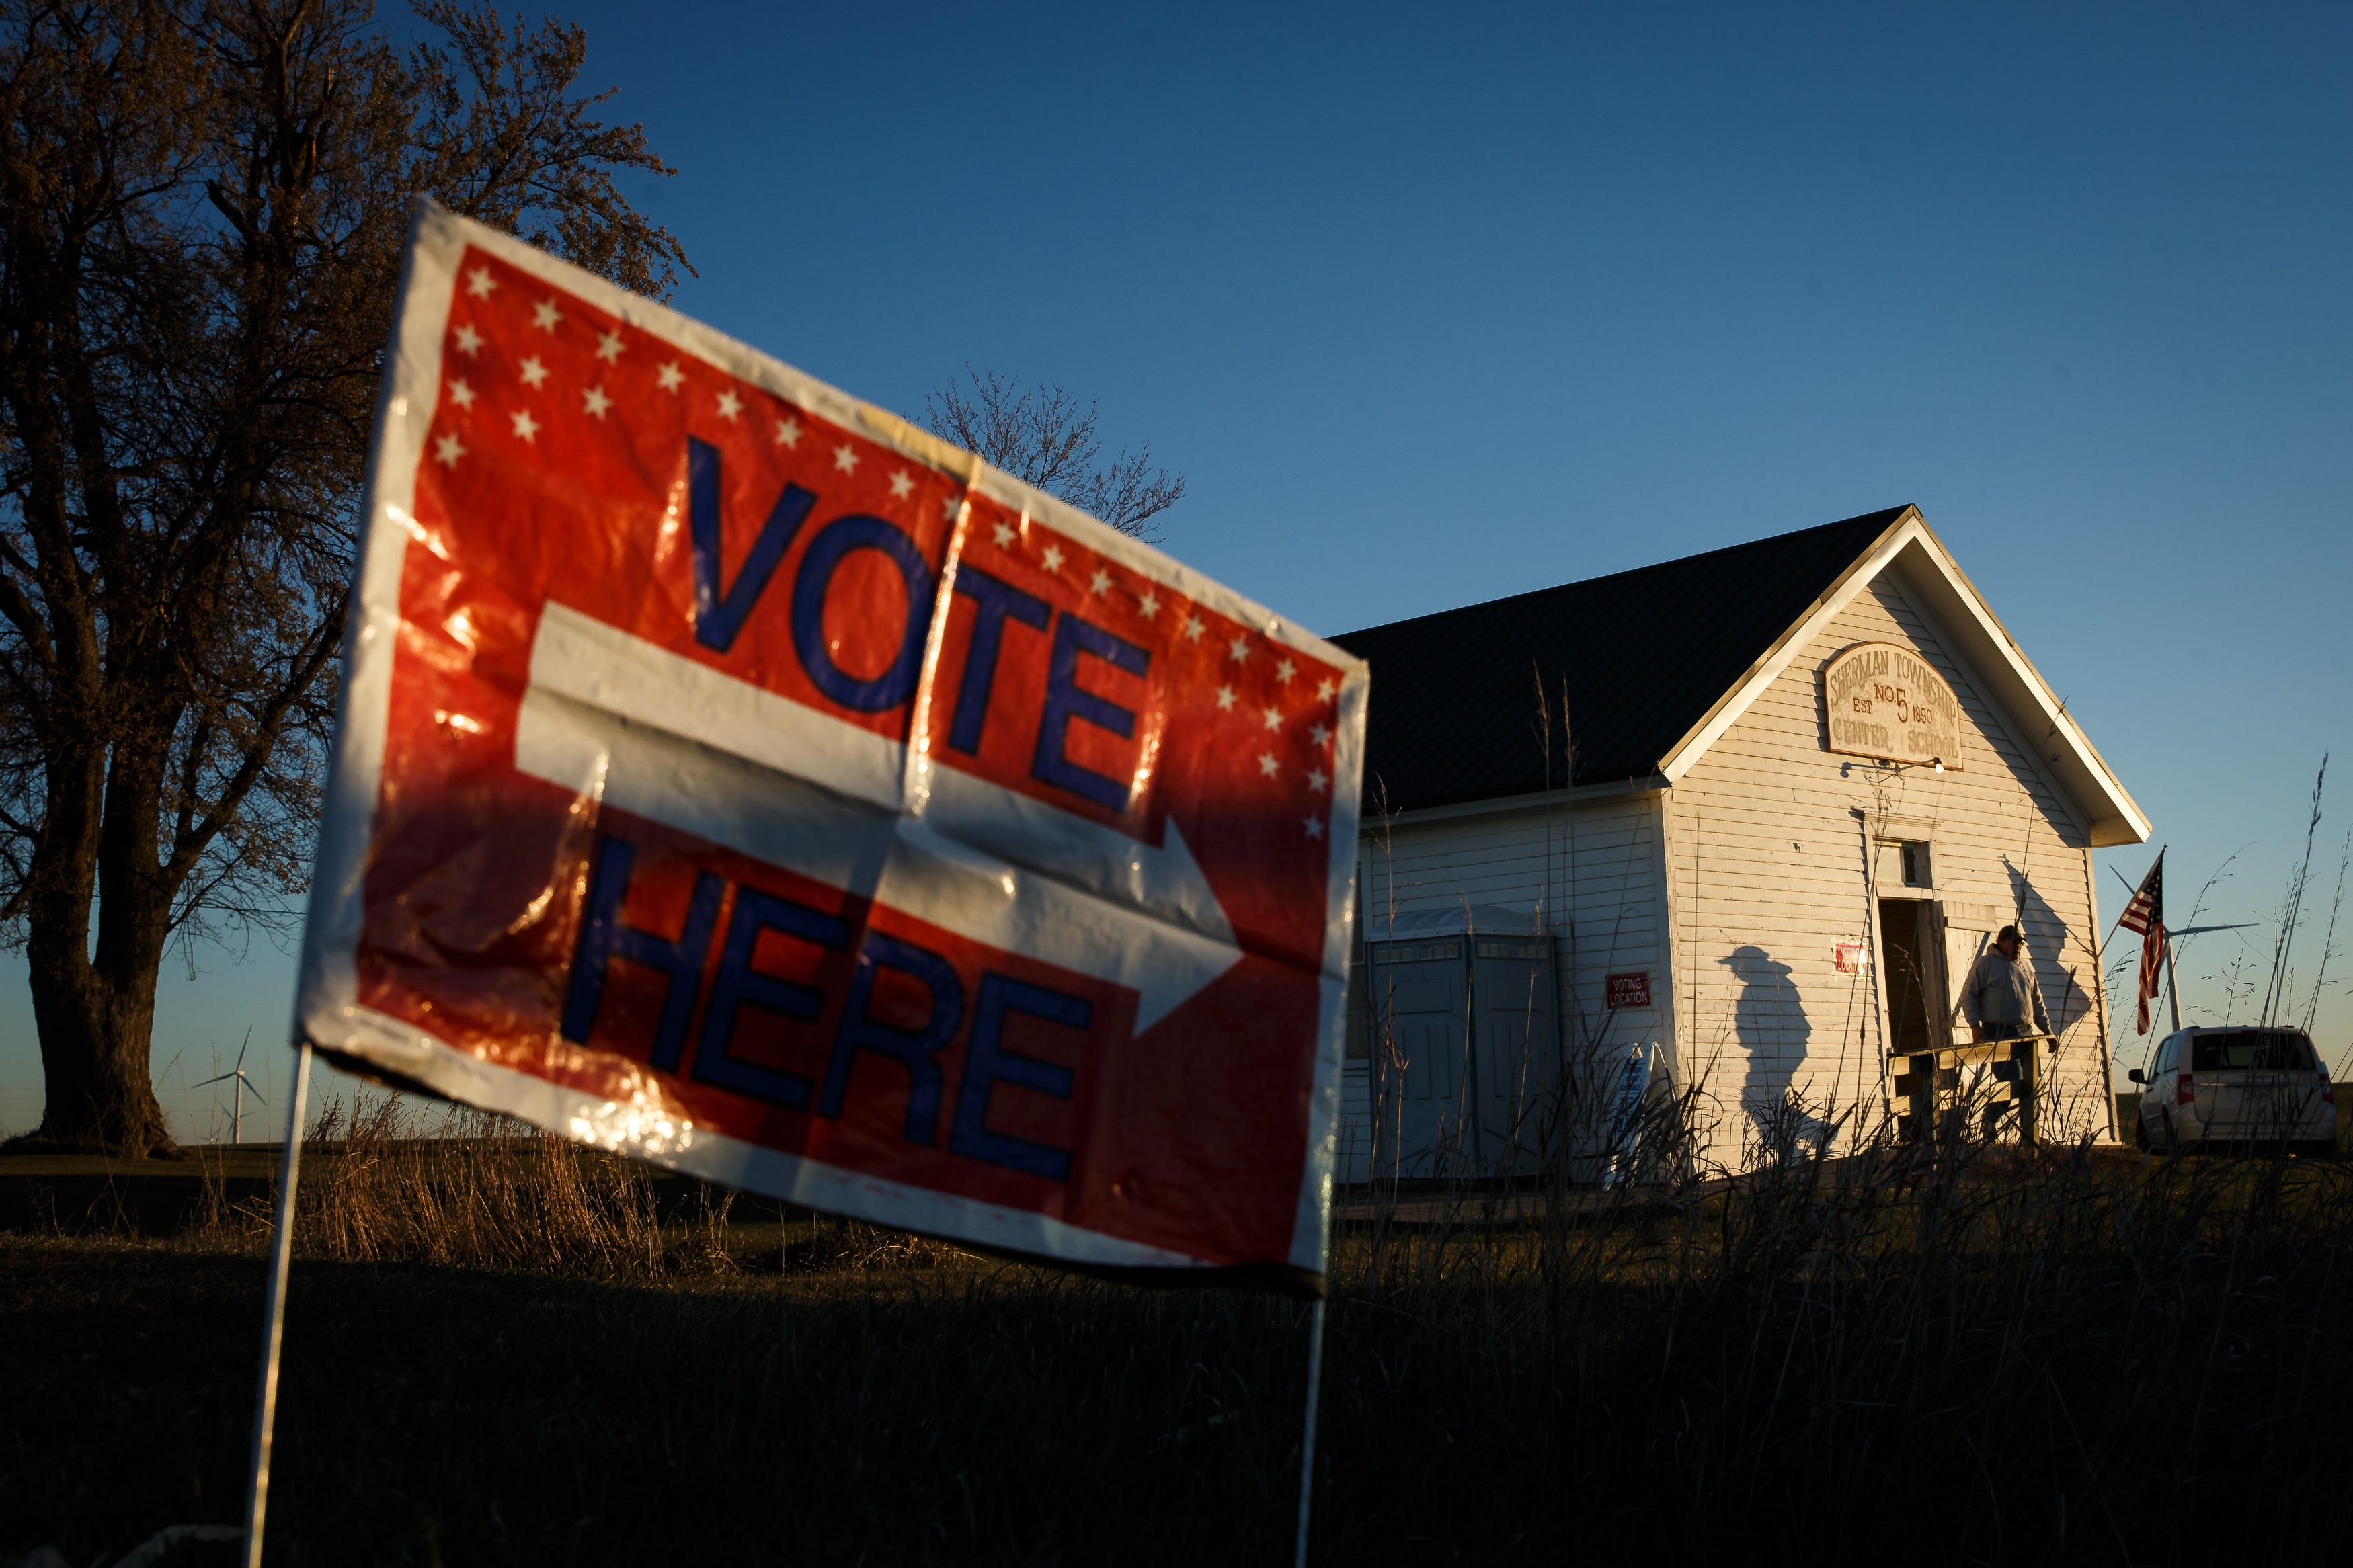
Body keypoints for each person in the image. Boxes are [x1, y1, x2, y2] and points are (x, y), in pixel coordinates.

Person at [1962, 925, 2050, 1044]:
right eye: (2013, 943)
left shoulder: (2025, 967)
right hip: (1997, 1032)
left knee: (2030, 1062)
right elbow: (1969, 996)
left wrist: (2047, 1031)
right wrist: (1975, 1026)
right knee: (2006, 1063)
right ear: (2000, 942)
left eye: (2020, 943)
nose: (2018, 946)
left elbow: (2037, 1002)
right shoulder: (1986, 963)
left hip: (2026, 1031)